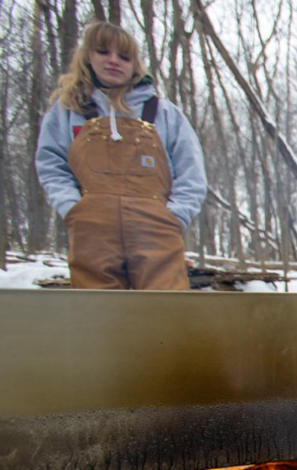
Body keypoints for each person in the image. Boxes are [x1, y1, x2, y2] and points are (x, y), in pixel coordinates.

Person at [36, 21, 207, 290]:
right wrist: (72, 208)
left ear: (134, 64)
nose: (114, 61)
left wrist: (175, 217)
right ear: (88, 57)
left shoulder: (164, 113)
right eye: (104, 52)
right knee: (100, 315)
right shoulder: (67, 111)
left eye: (124, 56)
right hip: (92, 229)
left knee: (168, 311)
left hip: (156, 229)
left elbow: (192, 173)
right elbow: (52, 165)